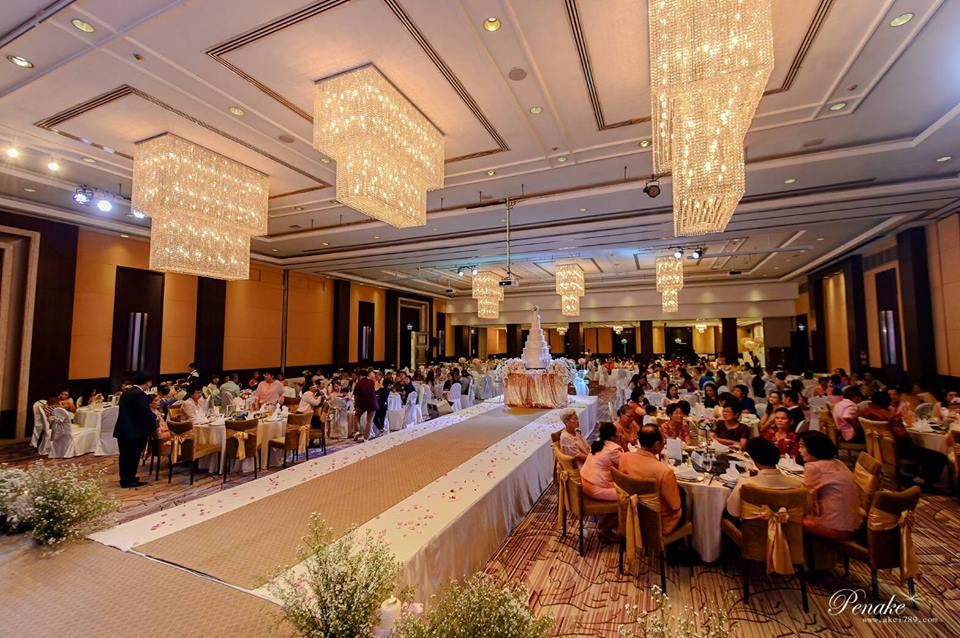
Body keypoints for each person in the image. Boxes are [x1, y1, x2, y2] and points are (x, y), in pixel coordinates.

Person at [860, 391, 947, 488]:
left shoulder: (864, 412)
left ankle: (916, 477)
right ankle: (922, 483)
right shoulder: (890, 417)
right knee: (940, 457)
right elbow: (903, 437)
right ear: (888, 402)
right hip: (897, 450)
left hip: (877, 447)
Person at [619, 425, 684, 535]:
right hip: (658, 523)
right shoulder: (664, 472)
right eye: (663, 441)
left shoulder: (624, 458)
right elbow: (675, 506)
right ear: (657, 445)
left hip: (632, 515)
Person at [798, 431, 861, 538]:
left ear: (814, 448)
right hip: (854, 524)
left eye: (802, 447)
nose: (799, 450)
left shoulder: (813, 467)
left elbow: (807, 501)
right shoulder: (838, 462)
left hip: (836, 528)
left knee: (787, 517)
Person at [726, 437, 803, 518]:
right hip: (788, 524)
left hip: (752, 525)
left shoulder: (745, 485)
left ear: (753, 459)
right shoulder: (798, 485)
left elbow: (733, 511)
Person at [579, 422, 622, 541]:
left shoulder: (598, 444)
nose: (619, 436)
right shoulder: (613, 449)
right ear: (612, 437)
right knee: (629, 497)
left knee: (621, 489)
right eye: (618, 434)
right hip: (595, 488)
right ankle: (605, 529)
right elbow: (627, 465)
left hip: (584, 483)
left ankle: (604, 525)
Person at [113, 373, 154, 488]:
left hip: (123, 429)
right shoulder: (139, 394)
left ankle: (126, 477)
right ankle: (128, 480)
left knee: (125, 455)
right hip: (134, 430)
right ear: (147, 382)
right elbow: (144, 411)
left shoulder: (127, 392)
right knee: (133, 455)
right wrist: (155, 418)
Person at [354, 368, 380, 441]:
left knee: (356, 416)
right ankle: (366, 438)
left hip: (363, 403)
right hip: (373, 403)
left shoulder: (359, 383)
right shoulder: (371, 382)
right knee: (369, 421)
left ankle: (358, 431)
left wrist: (356, 405)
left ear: (360, 376)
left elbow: (356, 396)